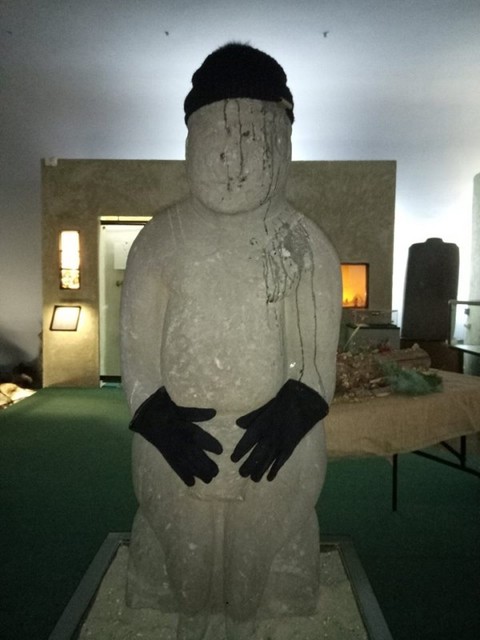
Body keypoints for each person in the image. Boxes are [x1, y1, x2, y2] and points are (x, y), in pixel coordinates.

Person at [121, 43, 342, 640]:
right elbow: (138, 354)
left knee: (251, 568)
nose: (234, 159)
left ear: (284, 143)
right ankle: (192, 613)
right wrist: (153, 411)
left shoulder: (302, 242)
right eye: (218, 136)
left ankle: (246, 617)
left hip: (274, 441)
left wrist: (300, 404)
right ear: (191, 141)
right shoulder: (159, 242)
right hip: (177, 437)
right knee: (189, 566)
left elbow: (315, 361)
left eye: (254, 137)